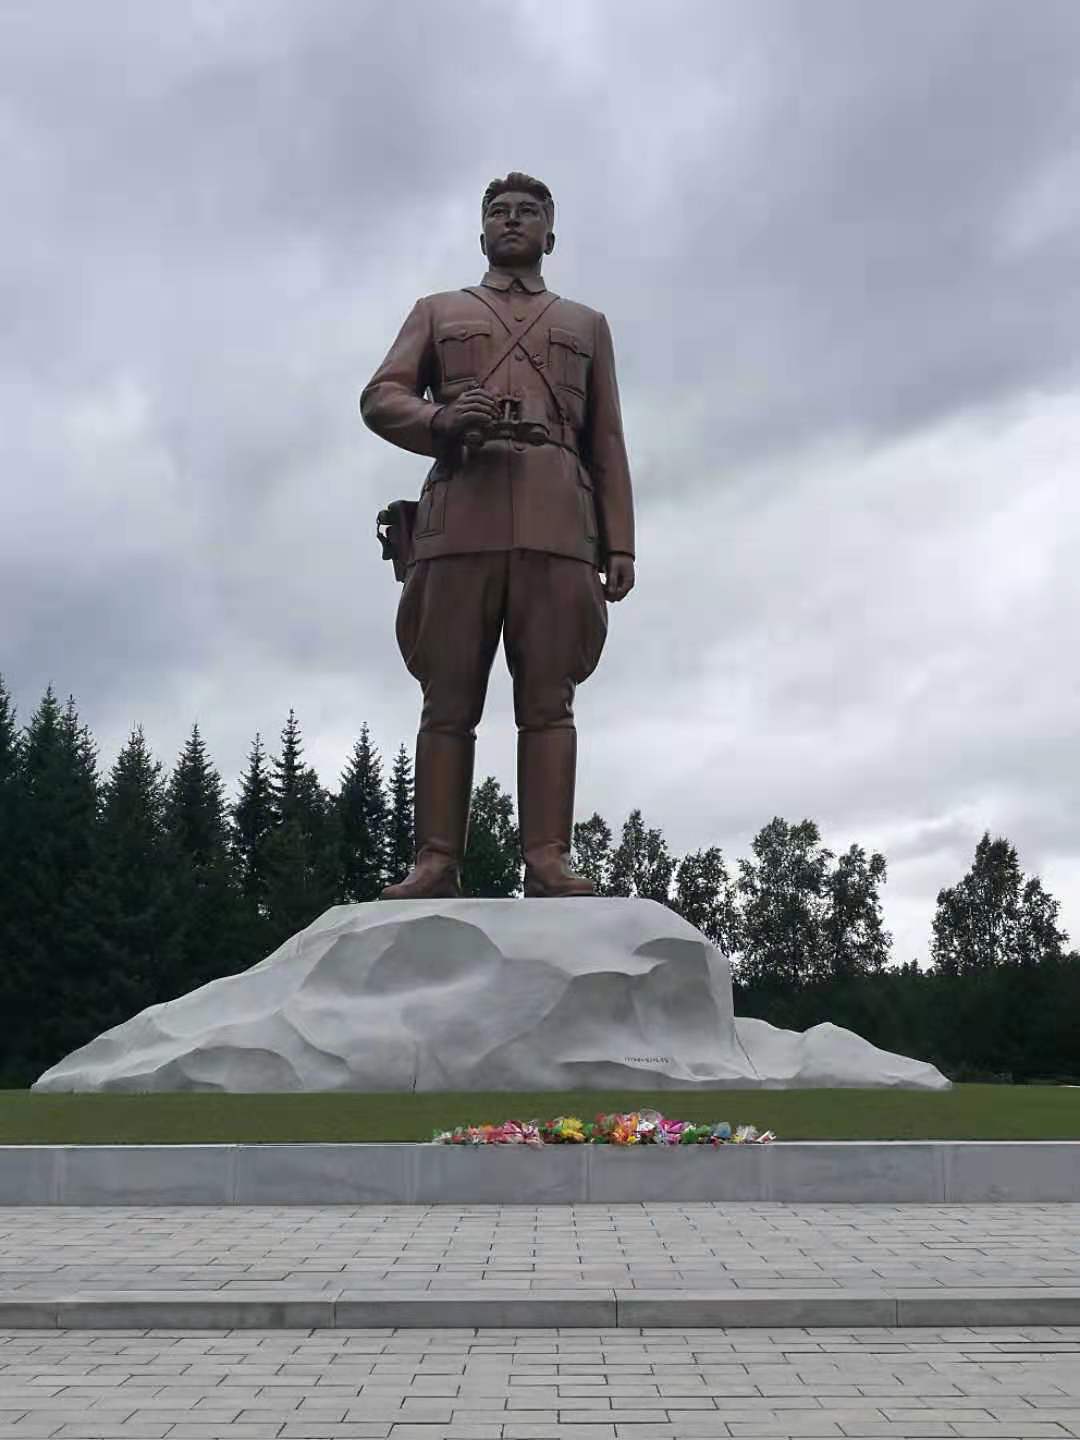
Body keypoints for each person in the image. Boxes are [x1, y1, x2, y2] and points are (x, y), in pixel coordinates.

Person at [361, 171, 635, 899]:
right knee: (445, 701)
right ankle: (435, 862)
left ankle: (548, 858)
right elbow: (381, 396)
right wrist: (439, 421)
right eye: (499, 212)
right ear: (481, 233)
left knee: (550, 701)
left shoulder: (586, 324)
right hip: (459, 520)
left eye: (529, 213)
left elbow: (605, 439)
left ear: (551, 234)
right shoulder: (437, 310)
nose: (513, 221)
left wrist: (619, 544)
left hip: (558, 524)